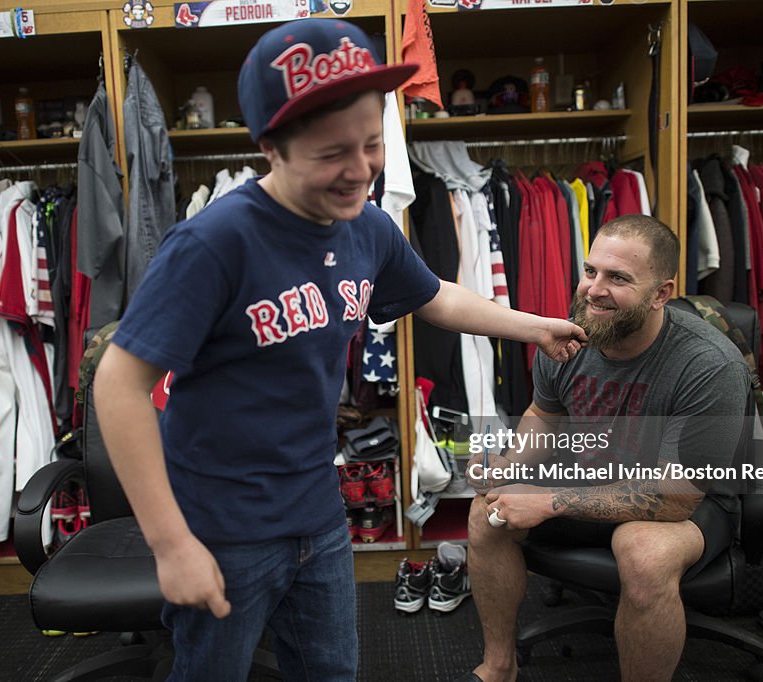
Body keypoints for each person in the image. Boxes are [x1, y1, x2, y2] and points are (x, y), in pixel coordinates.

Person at [93, 19, 586, 681]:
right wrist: (170, 543)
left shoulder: (368, 228)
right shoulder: (213, 244)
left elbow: (434, 294)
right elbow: (118, 385)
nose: (360, 171)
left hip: (320, 519)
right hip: (222, 530)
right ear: (271, 147)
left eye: (373, 144)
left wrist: (533, 326)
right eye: (332, 154)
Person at [462, 214, 752, 682]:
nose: (594, 290)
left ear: (661, 292)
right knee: (485, 513)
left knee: (642, 551)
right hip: (588, 483)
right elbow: (544, 416)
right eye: (590, 271)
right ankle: (499, 666)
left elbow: (677, 494)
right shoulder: (568, 338)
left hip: (685, 503)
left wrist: (548, 502)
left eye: (618, 278)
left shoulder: (707, 365)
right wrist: (507, 466)